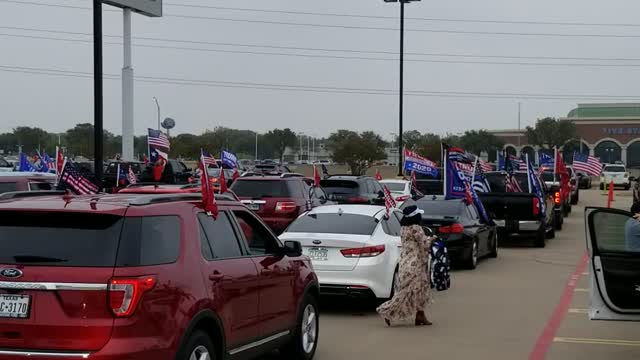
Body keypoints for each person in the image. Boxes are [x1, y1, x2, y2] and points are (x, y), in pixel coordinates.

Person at [377, 205, 434, 326]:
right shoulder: (416, 228)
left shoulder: (403, 228)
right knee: (408, 291)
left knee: (418, 289)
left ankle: (420, 315)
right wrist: (432, 239)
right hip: (415, 263)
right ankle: (387, 310)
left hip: (405, 262)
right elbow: (424, 244)